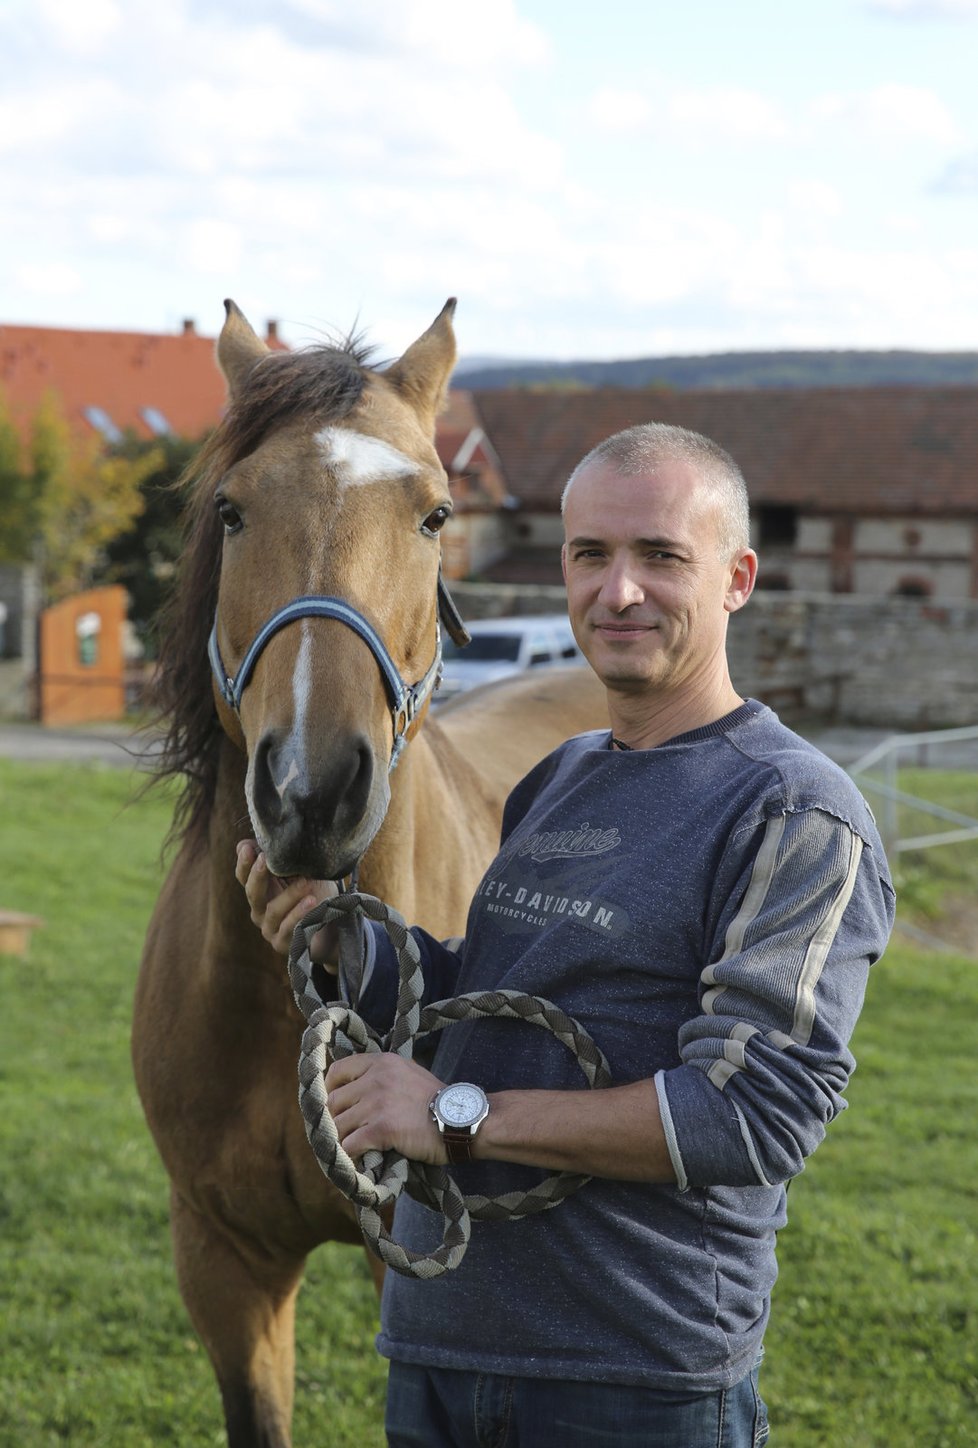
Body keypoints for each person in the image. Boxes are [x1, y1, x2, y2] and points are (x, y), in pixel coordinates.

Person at [237, 422, 895, 1448]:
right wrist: (345, 947)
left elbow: (751, 1116)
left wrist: (454, 1115)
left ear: (737, 577)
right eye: (591, 555)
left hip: (630, 1380)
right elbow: (485, 1004)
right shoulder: (561, 776)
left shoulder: (793, 810)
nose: (617, 590)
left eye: (660, 556)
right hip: (441, 1355)